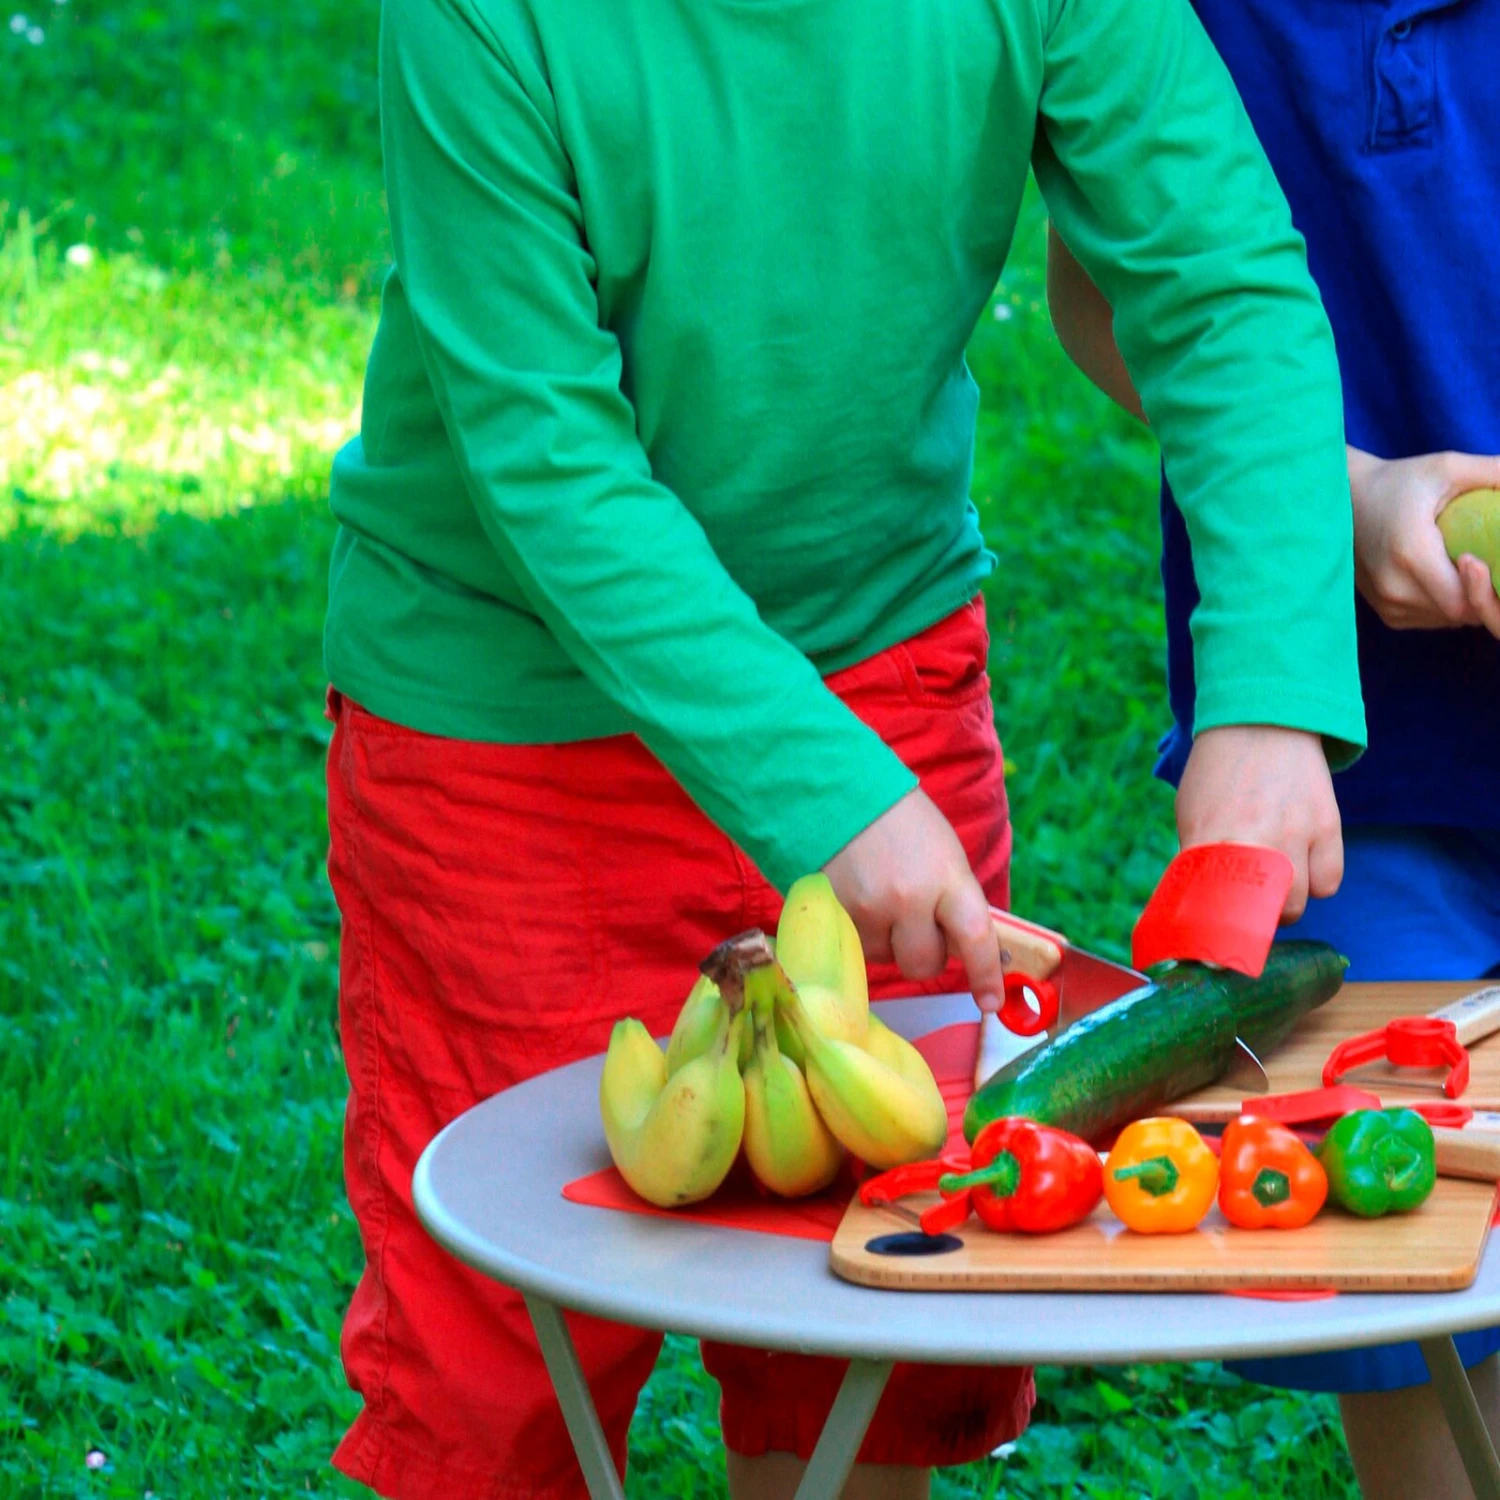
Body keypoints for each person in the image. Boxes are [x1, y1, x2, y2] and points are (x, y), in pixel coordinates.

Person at [320, 0, 1368, 1495]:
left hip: (881, 665)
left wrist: (1267, 693)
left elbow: (1223, 291)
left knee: (872, 1330)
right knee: (494, 1367)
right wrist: (832, 796)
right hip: (510, 731)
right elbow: (547, 463)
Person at [1045, 0, 1500, 1492]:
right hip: (1360, 761)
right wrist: (1338, 495)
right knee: (1409, 1271)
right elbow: (1106, 294)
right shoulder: (1172, 21)